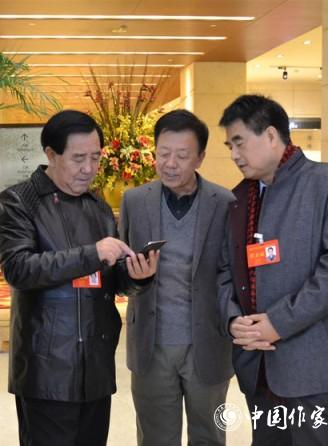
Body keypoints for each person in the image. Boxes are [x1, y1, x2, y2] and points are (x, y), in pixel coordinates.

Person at [0, 110, 158, 446]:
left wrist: (136, 276)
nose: (89, 168)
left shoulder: (98, 207)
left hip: (96, 366)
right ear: (51, 154)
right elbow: (19, 269)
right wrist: (92, 253)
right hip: (46, 370)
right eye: (78, 158)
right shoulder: (18, 202)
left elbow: (112, 281)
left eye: (95, 158)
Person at [218, 94, 328, 445]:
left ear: (271, 135)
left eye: (239, 142)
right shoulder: (238, 199)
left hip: (316, 367)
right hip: (258, 367)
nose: (234, 155)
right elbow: (224, 270)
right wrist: (232, 319)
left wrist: (277, 323)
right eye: (229, 146)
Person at [119, 109, 234, 446]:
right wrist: (135, 277)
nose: (170, 164)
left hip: (208, 342)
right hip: (151, 344)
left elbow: (231, 273)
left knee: (209, 435)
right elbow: (121, 272)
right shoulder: (134, 201)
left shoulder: (225, 203)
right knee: (155, 437)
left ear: (200, 158)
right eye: (163, 153)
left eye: (182, 156)